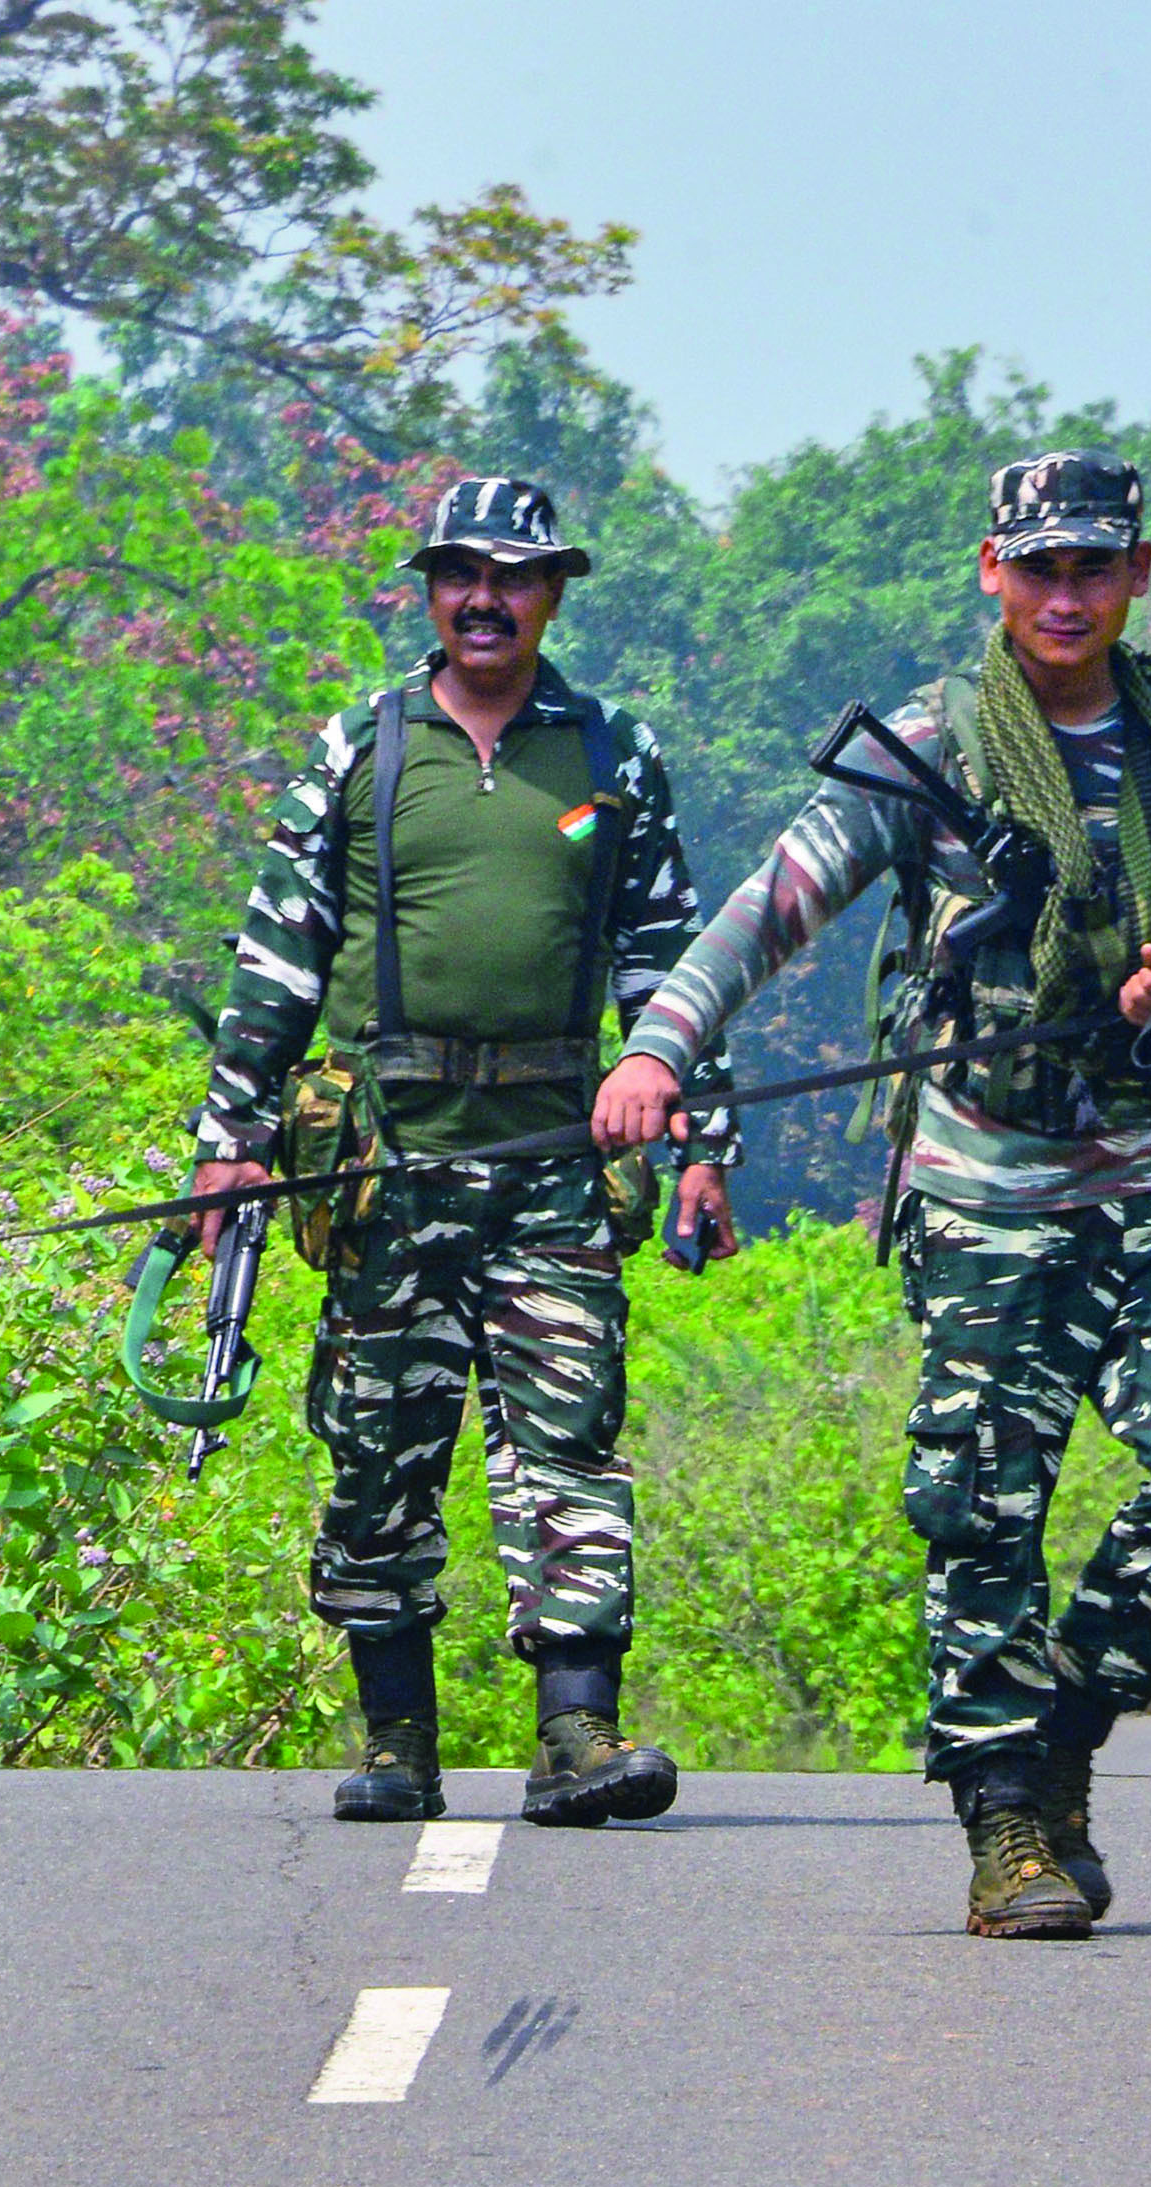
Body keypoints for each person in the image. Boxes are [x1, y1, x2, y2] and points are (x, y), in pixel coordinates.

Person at [589, 448, 1151, 1939]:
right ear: (994, 570)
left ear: (1139, 574)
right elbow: (768, 906)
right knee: (986, 1508)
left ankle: (1054, 1742)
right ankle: (1006, 1834)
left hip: (1149, 1166)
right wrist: (664, 1044)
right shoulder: (933, 749)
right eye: (1038, 566)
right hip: (983, 1180)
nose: (1065, 593)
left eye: (1093, 566)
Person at [187, 477, 742, 1830]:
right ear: (430, 589)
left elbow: (669, 960)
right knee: (377, 1440)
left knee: (568, 1438)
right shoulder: (362, 747)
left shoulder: (615, 754)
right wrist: (231, 1140)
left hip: (559, 1155)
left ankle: (577, 1735)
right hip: (392, 1159)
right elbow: (278, 956)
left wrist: (702, 1135)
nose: (484, 600)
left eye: (515, 576)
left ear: (556, 593)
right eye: (460, 575)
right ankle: (397, 1741)